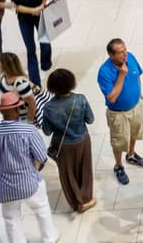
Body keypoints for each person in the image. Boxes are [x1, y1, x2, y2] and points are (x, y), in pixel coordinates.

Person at [0, 92, 57, 243]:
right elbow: (42, 157)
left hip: (6, 188)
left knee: (11, 218)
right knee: (41, 209)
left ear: (1, 110)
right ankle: (49, 238)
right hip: (30, 182)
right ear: (18, 109)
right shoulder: (29, 130)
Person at [41, 68, 97, 213]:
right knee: (85, 170)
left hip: (62, 145)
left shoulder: (48, 108)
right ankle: (87, 199)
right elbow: (90, 119)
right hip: (82, 140)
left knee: (67, 174)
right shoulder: (80, 99)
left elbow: (47, 131)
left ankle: (76, 203)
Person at [98, 38, 143, 185]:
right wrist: (121, 75)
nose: (124, 54)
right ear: (111, 55)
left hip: (136, 106)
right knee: (119, 142)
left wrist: (139, 93)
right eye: (120, 53)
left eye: (125, 50)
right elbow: (112, 97)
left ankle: (131, 155)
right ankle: (118, 166)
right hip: (118, 113)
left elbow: (138, 74)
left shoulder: (131, 57)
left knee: (134, 133)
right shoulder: (104, 72)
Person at [8, 0, 51, 86]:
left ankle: (46, 62)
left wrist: (42, 6)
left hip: (40, 15)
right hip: (24, 19)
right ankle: (35, 81)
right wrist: (33, 10)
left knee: (45, 40)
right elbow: (17, 6)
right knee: (30, 48)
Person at [0, 51, 52, 128]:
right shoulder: (3, 78)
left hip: (23, 118)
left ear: (5, 66)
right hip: (14, 116)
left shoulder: (21, 84)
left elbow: (32, 105)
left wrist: (29, 124)